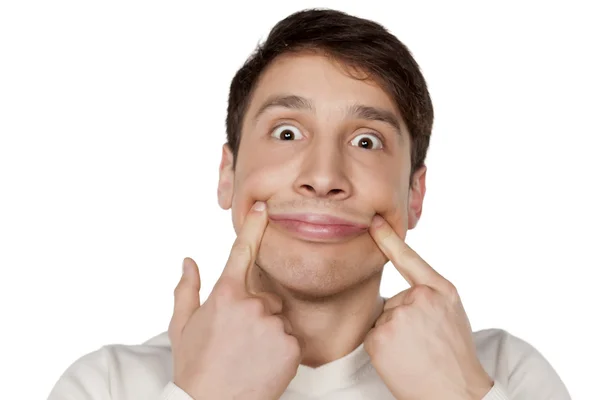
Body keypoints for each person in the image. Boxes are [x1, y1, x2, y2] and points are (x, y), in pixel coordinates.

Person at [47, 8, 571, 400]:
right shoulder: (108, 384)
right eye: (288, 131)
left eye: (366, 141)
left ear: (414, 195)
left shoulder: (504, 374)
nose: (323, 178)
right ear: (228, 174)